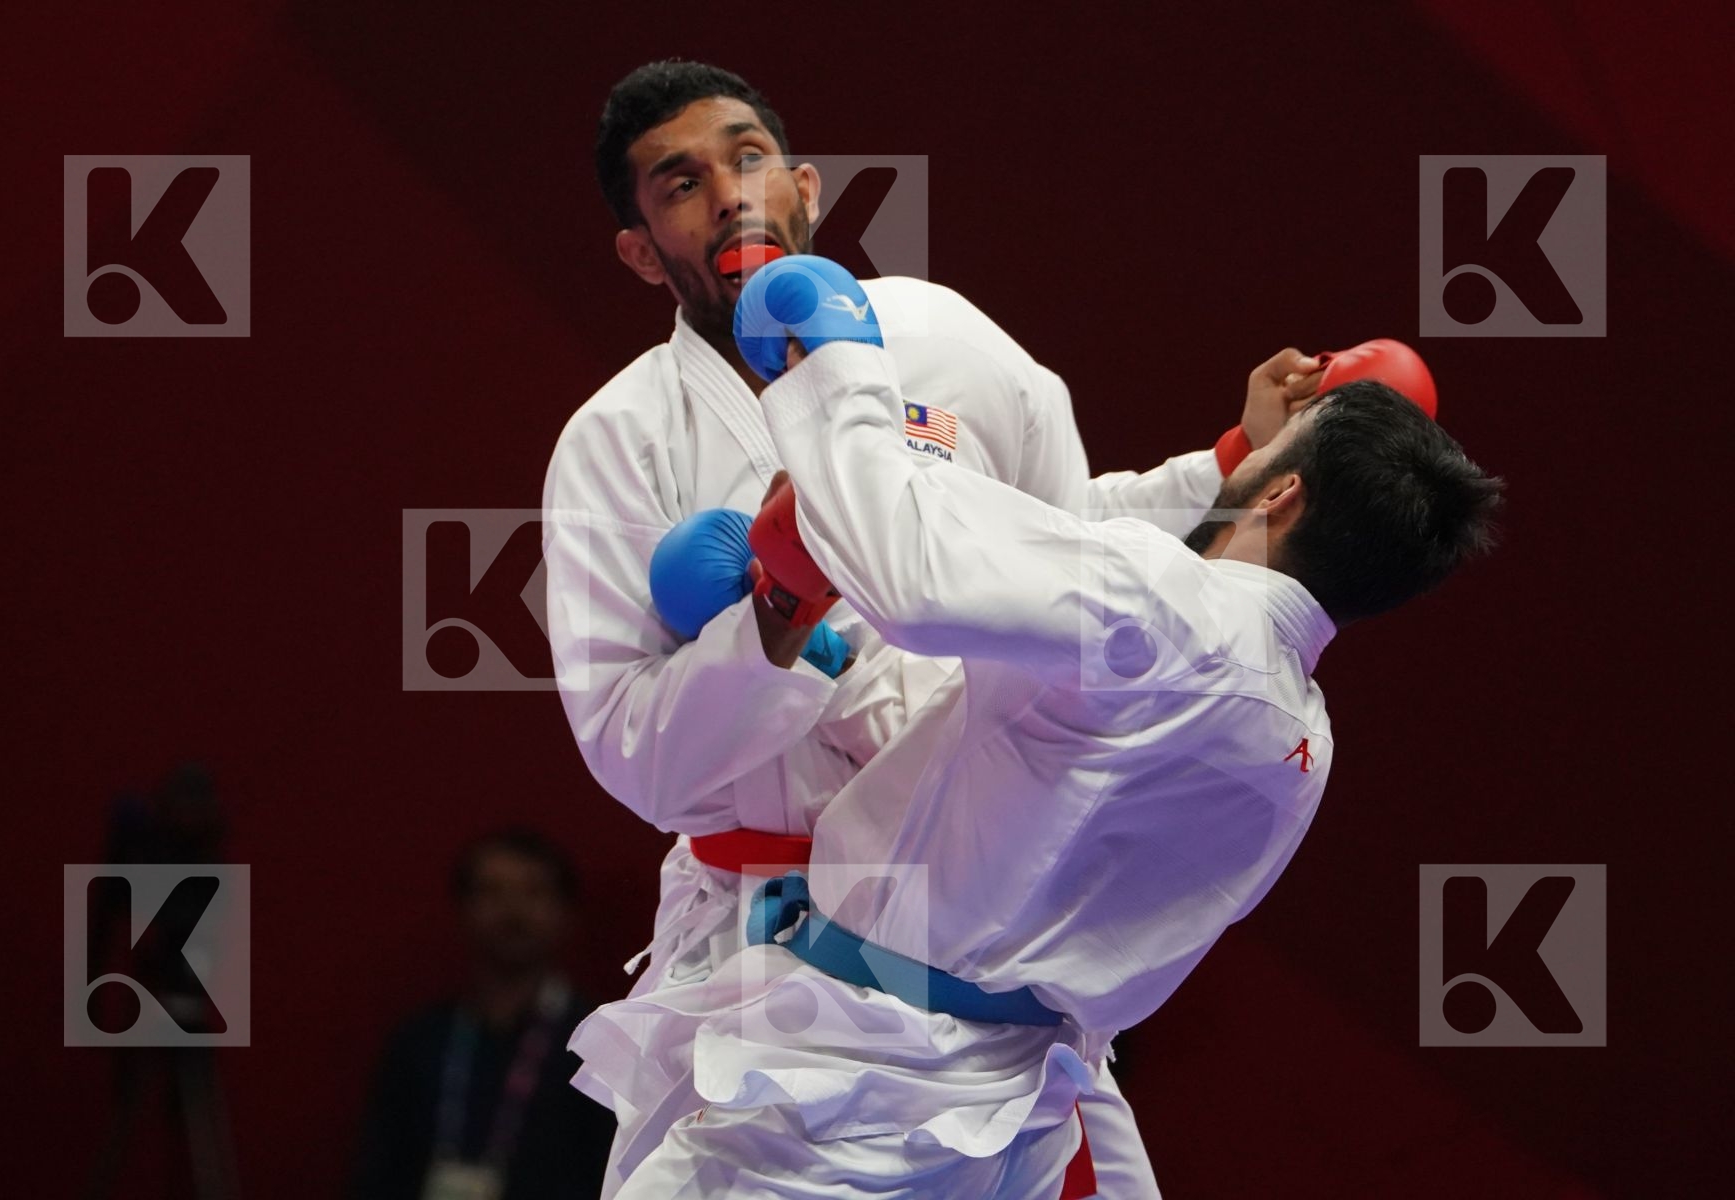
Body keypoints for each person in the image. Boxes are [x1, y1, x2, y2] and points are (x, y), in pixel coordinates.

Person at [544, 60, 1321, 1197]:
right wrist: (778, 614)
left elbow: (1065, 548)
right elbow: (637, 757)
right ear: (639, 248)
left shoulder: (943, 338)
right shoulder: (617, 443)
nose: (729, 194)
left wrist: (1225, 469)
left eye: (749, 158)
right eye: (679, 183)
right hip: (760, 940)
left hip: (968, 912)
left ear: (806, 185)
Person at [593, 259, 1504, 1196]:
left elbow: (916, 565)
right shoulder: (1301, 743)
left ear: (1281, 497)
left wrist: (838, 365)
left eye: (1285, 451)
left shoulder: (1163, 608)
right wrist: (820, 643)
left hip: (847, 1104)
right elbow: (1016, 747)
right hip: (1007, 1119)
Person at [350, 829, 614, 1200]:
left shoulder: (599, 1046)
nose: (513, 911)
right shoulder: (420, 1042)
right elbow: (380, 1170)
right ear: (463, 907)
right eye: (492, 892)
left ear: (564, 911)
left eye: (533, 892)